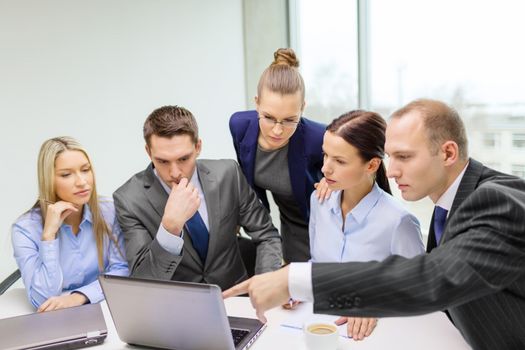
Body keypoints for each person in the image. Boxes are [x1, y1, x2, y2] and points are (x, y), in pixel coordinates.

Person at [224, 99, 525, 349]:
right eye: (391, 156)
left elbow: (433, 277)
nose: (391, 172)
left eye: (404, 157)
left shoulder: (496, 201)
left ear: (448, 153)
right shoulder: (448, 206)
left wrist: (295, 279)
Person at [113, 105, 282, 290]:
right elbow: (143, 282)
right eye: (162, 161)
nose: (175, 172)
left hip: (236, 299)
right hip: (178, 309)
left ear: (198, 147)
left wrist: (268, 285)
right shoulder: (129, 200)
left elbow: (266, 236)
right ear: (148, 152)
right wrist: (170, 228)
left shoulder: (228, 174)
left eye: (183, 159)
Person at [309, 110, 424, 339]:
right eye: (325, 155)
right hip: (318, 324)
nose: (325, 169)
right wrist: (293, 286)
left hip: (374, 335)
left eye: (340, 161)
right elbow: (318, 264)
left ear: (371, 165)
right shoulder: (319, 201)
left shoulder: (398, 221)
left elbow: (419, 288)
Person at [229, 48, 326, 263]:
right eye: (269, 117)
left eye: (290, 119)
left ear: (303, 108)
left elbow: (357, 161)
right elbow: (247, 178)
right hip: (289, 222)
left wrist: (332, 180)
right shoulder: (239, 126)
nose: (277, 131)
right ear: (256, 103)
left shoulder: (318, 137)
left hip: (325, 222)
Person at [12, 137, 129, 312]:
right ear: (48, 179)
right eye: (66, 174)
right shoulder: (25, 229)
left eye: (85, 170)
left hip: (106, 306)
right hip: (56, 317)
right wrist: (49, 236)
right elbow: (42, 300)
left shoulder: (109, 211)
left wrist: (79, 297)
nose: (82, 181)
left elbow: (122, 271)